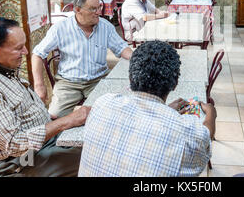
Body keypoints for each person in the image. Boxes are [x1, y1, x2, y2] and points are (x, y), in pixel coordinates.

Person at [0, 17, 90, 176]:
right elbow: (13, 143)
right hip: (19, 162)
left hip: (38, 146)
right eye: (19, 48)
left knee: (95, 138)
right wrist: (67, 120)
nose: (25, 52)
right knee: (96, 157)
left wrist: (50, 118)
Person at [78, 41, 216, 177]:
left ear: (131, 79)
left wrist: (164, 111)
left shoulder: (103, 103)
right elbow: (205, 136)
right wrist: (211, 113)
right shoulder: (185, 130)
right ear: (175, 85)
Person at [32, 0, 132, 117]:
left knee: (113, 113)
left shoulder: (105, 26)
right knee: (53, 117)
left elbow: (122, 48)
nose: (98, 12)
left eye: (99, 8)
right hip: (68, 83)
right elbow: (37, 54)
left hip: (98, 80)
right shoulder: (60, 28)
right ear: (77, 10)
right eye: (93, 9)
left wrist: (137, 58)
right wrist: (39, 85)